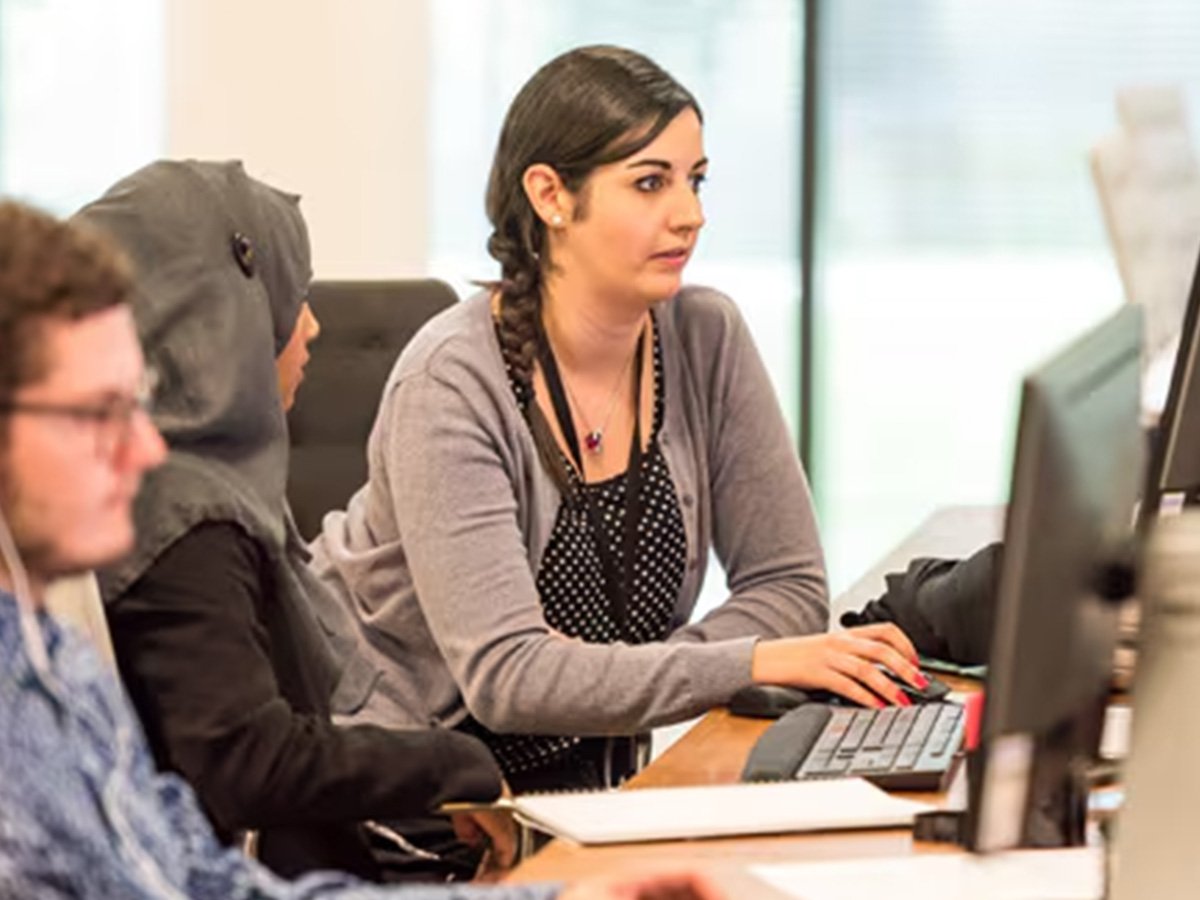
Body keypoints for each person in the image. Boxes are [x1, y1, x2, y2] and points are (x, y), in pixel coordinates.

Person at [0, 198, 725, 900]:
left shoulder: (52, 661)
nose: (144, 446)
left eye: (135, 402)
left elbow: (205, 885)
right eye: (98, 412)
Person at [308, 45, 927, 793]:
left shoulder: (705, 337)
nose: (690, 215)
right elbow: (508, 677)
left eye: (695, 181)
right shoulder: (452, 383)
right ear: (551, 196)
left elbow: (789, 585)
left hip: (596, 790)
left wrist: (642, 675)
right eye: (649, 183)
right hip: (423, 804)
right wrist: (748, 660)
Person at [72, 160, 513, 883]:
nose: (311, 324)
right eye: (292, 295)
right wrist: (451, 765)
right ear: (222, 313)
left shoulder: (185, 489)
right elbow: (246, 763)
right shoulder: (187, 518)